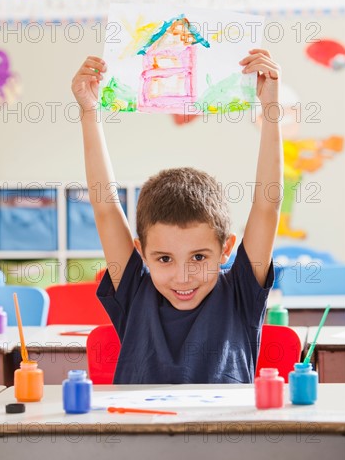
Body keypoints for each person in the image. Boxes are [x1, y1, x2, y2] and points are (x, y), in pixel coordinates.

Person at [71, 49, 282, 384]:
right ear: (141, 252)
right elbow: (105, 207)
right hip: (141, 436)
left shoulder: (240, 293)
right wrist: (89, 111)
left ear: (226, 248)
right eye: (165, 258)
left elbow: (267, 207)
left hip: (225, 437)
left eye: (199, 256)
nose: (183, 277)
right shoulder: (134, 294)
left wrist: (270, 109)